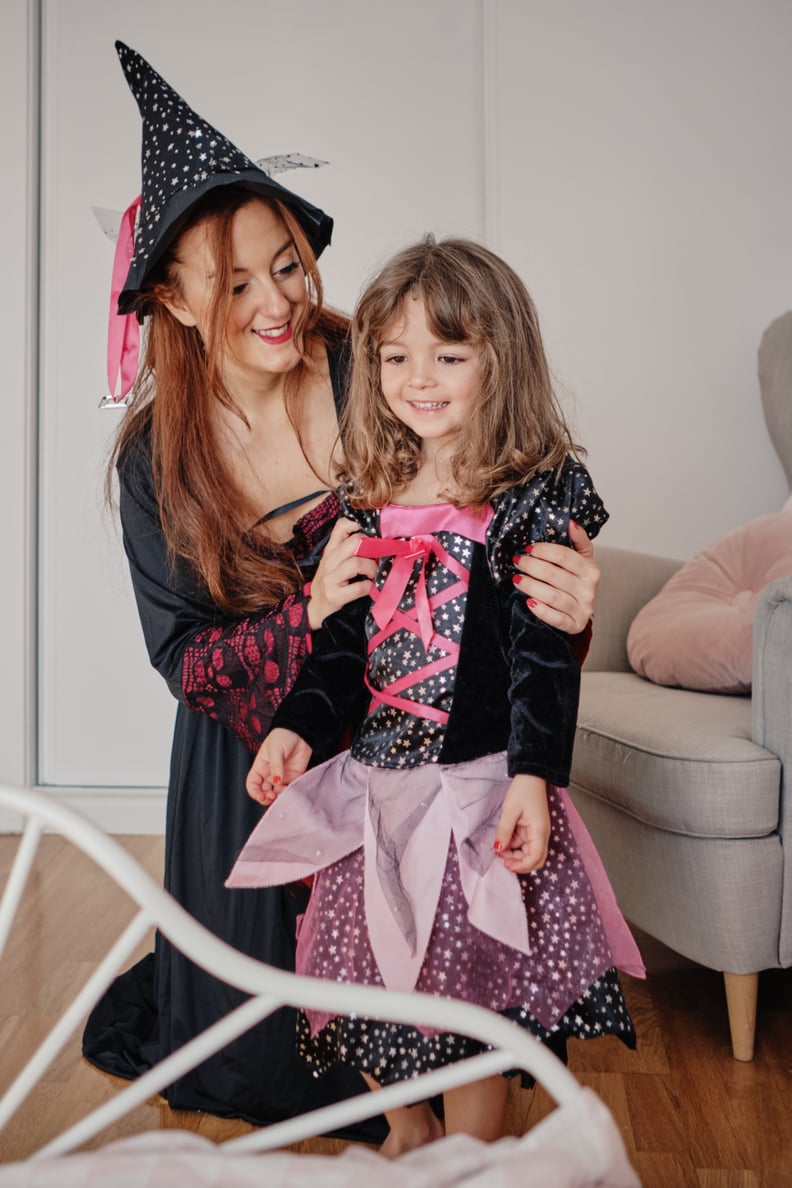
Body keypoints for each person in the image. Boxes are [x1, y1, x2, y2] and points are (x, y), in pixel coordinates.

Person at [82, 43, 602, 1133]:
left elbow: (491, 533)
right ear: (171, 302)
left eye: (285, 262)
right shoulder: (153, 464)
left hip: (434, 743)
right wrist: (307, 615)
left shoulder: (374, 363)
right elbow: (186, 663)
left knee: (460, 1000)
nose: (276, 300)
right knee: (283, 1063)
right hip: (261, 750)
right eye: (233, 283)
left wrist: (564, 589)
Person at [227, 235, 645, 1155]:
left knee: (468, 1009)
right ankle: (408, 1133)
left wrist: (534, 776)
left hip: (475, 800)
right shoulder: (367, 499)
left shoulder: (527, 501)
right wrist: (297, 728)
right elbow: (339, 650)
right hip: (377, 794)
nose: (419, 378)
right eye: (396, 355)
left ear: (502, 357)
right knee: (366, 979)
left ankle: (470, 1160)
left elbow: (541, 656)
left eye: (448, 355)